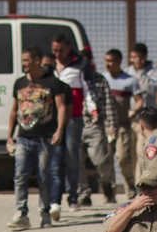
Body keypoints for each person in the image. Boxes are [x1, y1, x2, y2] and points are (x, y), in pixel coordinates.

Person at [5, 47, 68, 231]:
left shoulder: (52, 83)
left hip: (44, 138)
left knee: (44, 176)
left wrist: (59, 130)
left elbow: (62, 107)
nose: (24, 64)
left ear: (37, 60)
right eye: (23, 61)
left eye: (27, 60)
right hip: (23, 138)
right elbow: (14, 110)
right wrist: (9, 135)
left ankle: (45, 213)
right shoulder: (19, 83)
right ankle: (21, 213)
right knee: (20, 176)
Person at [53, 34, 96, 215]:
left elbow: (88, 90)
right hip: (53, 120)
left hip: (73, 118)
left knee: (72, 156)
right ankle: (54, 200)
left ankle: (73, 196)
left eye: (61, 50)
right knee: (55, 157)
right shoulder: (50, 67)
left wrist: (93, 109)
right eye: (54, 50)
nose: (57, 54)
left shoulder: (80, 66)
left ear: (69, 48)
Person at [80, 53, 116, 205]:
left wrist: (111, 125)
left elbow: (108, 103)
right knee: (78, 162)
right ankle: (83, 193)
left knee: (101, 160)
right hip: (77, 124)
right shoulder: (73, 79)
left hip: (95, 126)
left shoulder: (100, 80)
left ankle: (107, 184)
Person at [104, 48, 139, 199]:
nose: (108, 64)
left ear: (119, 62)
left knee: (123, 157)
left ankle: (130, 185)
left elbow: (140, 101)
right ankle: (108, 191)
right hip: (105, 125)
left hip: (123, 125)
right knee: (105, 159)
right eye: (106, 61)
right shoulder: (102, 79)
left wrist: (134, 111)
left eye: (111, 61)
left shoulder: (129, 80)